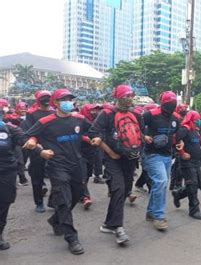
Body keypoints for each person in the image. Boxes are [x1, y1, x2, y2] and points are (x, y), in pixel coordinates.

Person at [24, 88, 90, 255]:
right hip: (57, 165)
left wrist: (95, 138)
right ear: (55, 103)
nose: (68, 101)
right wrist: (39, 150)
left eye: (70, 98)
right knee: (64, 199)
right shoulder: (46, 121)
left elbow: (93, 131)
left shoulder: (80, 119)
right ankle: (71, 237)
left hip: (76, 164)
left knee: (77, 195)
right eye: (64, 99)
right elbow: (28, 137)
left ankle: (56, 220)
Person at [89, 85, 144, 244]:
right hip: (113, 159)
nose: (130, 99)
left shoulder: (135, 114)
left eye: (131, 96)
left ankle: (109, 224)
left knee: (124, 190)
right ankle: (118, 228)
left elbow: (140, 133)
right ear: (118, 97)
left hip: (130, 159)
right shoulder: (106, 114)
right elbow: (93, 133)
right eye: (126, 96)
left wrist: (140, 149)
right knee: (119, 189)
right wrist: (109, 151)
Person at [0, 102, 42, 250]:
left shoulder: (9, 129)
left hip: (6, 171)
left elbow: (25, 139)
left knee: (4, 202)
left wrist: (34, 145)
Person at [141, 91, 181, 231]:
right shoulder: (150, 115)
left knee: (161, 184)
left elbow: (177, 135)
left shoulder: (176, 118)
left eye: (174, 103)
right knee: (161, 181)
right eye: (169, 103)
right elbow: (135, 127)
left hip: (167, 156)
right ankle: (159, 216)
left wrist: (179, 143)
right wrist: (144, 136)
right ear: (162, 103)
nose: (171, 105)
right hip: (152, 154)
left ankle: (151, 212)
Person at [21, 90, 55, 213]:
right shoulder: (32, 113)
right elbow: (28, 131)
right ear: (38, 100)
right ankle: (39, 202)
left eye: (48, 97)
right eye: (43, 97)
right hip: (37, 148)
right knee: (37, 177)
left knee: (57, 177)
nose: (46, 99)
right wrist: (34, 142)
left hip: (53, 148)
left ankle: (53, 201)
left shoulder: (55, 112)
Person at [172, 110, 201, 220]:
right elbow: (175, 139)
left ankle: (179, 194)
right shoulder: (185, 129)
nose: (198, 121)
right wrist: (182, 153)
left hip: (196, 161)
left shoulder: (195, 130)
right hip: (187, 162)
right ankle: (194, 210)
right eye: (196, 119)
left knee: (198, 184)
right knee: (193, 185)